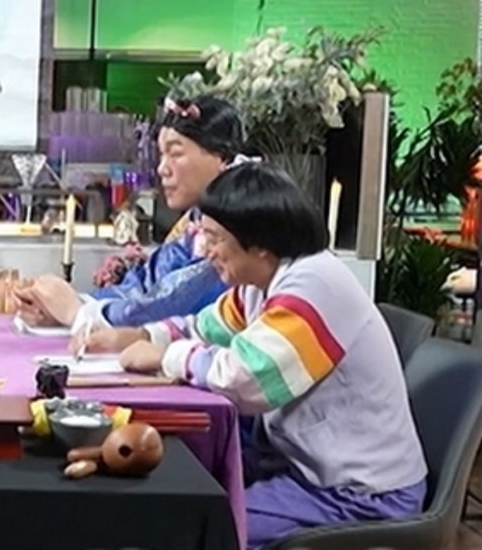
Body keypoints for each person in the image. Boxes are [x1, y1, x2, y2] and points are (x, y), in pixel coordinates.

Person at [107, 163, 427, 549]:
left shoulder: (313, 286)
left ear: (258, 243)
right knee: (180, 492)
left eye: (214, 237)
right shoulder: (261, 283)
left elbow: (244, 378)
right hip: (309, 471)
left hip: (360, 494)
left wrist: (165, 356)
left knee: (200, 526)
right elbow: (204, 327)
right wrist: (138, 336)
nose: (204, 250)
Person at [11, 96, 250, 347]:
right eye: (162, 155)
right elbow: (150, 280)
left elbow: (174, 304)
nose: (162, 169)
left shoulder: (242, 218)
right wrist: (69, 305)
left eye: (176, 154)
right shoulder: (203, 216)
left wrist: (77, 313)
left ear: (222, 157)